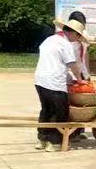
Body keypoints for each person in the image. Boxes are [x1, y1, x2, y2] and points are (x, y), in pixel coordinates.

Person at [34, 19, 87, 151]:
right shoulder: (65, 44)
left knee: (46, 110)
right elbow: (72, 65)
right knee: (60, 113)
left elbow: (55, 62)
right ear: (73, 33)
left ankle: (42, 139)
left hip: (40, 80)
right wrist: (80, 79)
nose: (77, 39)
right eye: (78, 35)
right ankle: (55, 142)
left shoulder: (49, 40)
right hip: (54, 83)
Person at [66, 10, 91, 140]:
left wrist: (87, 73)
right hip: (70, 72)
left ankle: (80, 130)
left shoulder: (84, 36)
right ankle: (70, 131)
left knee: (83, 102)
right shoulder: (67, 38)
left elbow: (86, 54)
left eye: (83, 24)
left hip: (81, 71)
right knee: (72, 102)